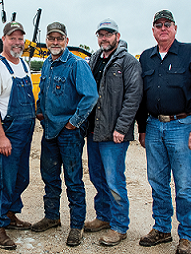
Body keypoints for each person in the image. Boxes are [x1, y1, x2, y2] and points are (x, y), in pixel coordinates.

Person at [136, 10, 191, 254]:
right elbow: (140, 97)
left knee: (183, 185)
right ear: (153, 31)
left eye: (167, 24)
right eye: (158, 25)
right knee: (157, 182)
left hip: (182, 126)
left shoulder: (190, 53)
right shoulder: (146, 58)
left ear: (175, 28)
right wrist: (143, 129)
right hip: (154, 126)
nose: (163, 28)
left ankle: (186, 235)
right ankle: (162, 229)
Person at [31, 21, 98, 247]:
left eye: (60, 38)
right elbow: (43, 92)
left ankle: (77, 226)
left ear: (67, 41)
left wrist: (73, 122)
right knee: (49, 177)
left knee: (73, 179)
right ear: (47, 41)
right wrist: (40, 111)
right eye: (52, 38)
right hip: (50, 131)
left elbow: (90, 96)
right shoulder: (48, 64)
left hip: (69, 134)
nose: (55, 42)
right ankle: (52, 217)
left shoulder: (77, 65)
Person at [84, 18, 142, 246]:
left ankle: (119, 226)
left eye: (108, 34)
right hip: (94, 131)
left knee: (115, 180)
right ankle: (104, 217)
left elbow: (133, 96)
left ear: (117, 36)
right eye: (101, 34)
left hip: (114, 134)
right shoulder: (95, 59)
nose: (104, 38)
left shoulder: (127, 61)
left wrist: (121, 127)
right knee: (97, 176)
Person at [0, 21, 35, 250]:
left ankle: (11, 215)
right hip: (6, 134)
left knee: (21, 178)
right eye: (12, 38)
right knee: (2, 181)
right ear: (3, 40)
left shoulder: (23, 63)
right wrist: (1, 136)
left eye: (20, 38)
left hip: (24, 135)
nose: (17, 42)